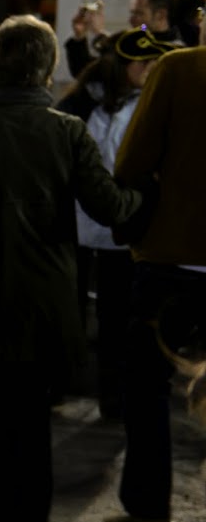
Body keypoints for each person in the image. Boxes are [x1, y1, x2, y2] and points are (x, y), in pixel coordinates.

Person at [0, 15, 142, 522]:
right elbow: (111, 207)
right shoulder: (67, 132)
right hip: (47, 300)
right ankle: (33, 517)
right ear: (47, 69)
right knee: (32, 412)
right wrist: (148, 193)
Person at [110, 27, 206, 522]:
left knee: (147, 384)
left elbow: (132, 159)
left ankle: (148, 505)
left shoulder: (180, 67)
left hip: (174, 256)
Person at [67, 29, 180, 419]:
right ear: (122, 65)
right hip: (78, 227)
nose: (150, 69)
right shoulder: (83, 103)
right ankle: (59, 385)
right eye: (143, 62)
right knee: (69, 311)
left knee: (116, 319)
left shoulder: (149, 103)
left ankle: (112, 397)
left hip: (124, 231)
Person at [64, 0, 106, 78]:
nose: (91, 18)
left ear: (102, 18)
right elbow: (76, 71)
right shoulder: (73, 43)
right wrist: (79, 36)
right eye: (89, 14)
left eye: (95, 14)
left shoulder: (108, 40)